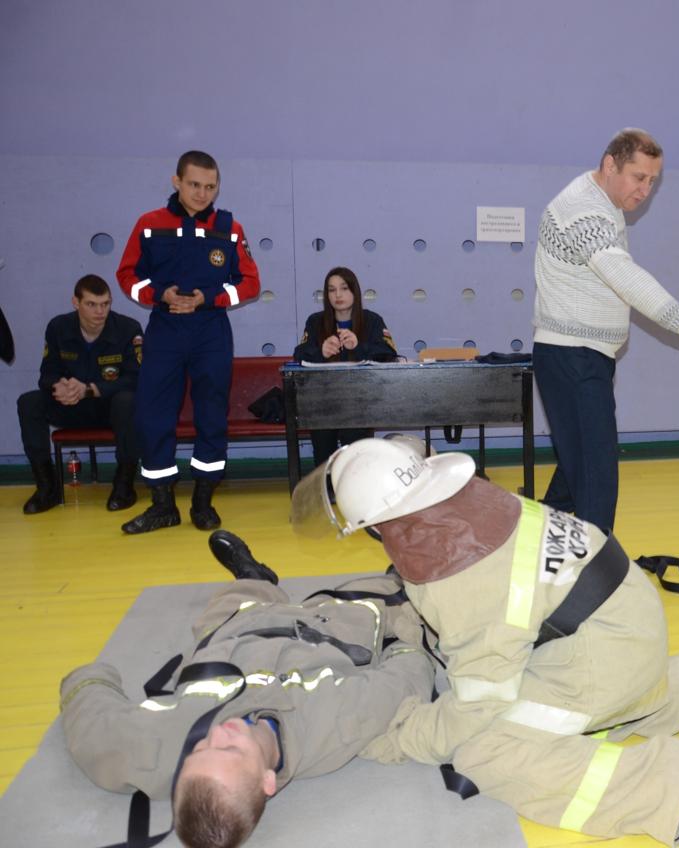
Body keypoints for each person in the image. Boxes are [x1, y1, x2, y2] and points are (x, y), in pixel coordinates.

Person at [294, 437, 679, 846]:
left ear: (378, 526)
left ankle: (661, 788)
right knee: (482, 687)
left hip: (606, 661)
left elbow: (477, 705)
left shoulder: (463, 578)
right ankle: (662, 699)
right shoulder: (477, 504)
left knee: (482, 749)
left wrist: (398, 738)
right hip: (631, 621)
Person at [60, 530, 434, 848]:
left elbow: (95, 734)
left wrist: (90, 677)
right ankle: (398, 573)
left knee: (229, 606)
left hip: (235, 630)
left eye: (200, 748)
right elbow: (405, 680)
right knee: (381, 597)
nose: (218, 733)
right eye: (231, 749)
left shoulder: (157, 752)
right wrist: (401, 640)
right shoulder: (336, 723)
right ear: (267, 782)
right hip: (326, 626)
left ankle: (254, 577)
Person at [532, 128, 679, 535]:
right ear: (610, 165)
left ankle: (531, 543)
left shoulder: (602, 202)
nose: (645, 190)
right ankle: (598, 564)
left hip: (585, 356)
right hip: (573, 357)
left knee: (578, 470)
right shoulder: (584, 211)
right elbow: (625, 278)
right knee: (597, 476)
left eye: (652, 182)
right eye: (639, 177)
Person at [115, 150, 261, 535]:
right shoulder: (150, 224)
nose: (202, 193)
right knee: (153, 414)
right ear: (176, 181)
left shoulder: (229, 228)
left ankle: (202, 502)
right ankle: (162, 505)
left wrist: (208, 298)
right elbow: (128, 275)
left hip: (210, 332)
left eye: (210, 187)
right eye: (194, 184)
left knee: (211, 414)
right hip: (165, 330)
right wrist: (158, 295)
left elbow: (250, 283)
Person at [17, 274, 143, 514]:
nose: (100, 311)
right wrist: (59, 386)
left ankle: (124, 486)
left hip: (109, 410)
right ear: (76, 302)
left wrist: (90, 389)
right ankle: (47, 488)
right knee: (29, 402)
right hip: (71, 406)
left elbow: (136, 378)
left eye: (105, 304)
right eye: (91, 304)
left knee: (128, 401)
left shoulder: (128, 329)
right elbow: (47, 374)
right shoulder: (58, 328)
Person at [293, 266, 398, 465]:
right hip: (323, 402)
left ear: (354, 292)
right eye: (332, 290)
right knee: (324, 458)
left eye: (344, 288)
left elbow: (389, 354)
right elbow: (299, 355)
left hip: (361, 401)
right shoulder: (315, 322)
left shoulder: (372, 320)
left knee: (355, 458)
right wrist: (321, 352)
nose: (338, 295)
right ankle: (327, 481)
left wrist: (360, 347)